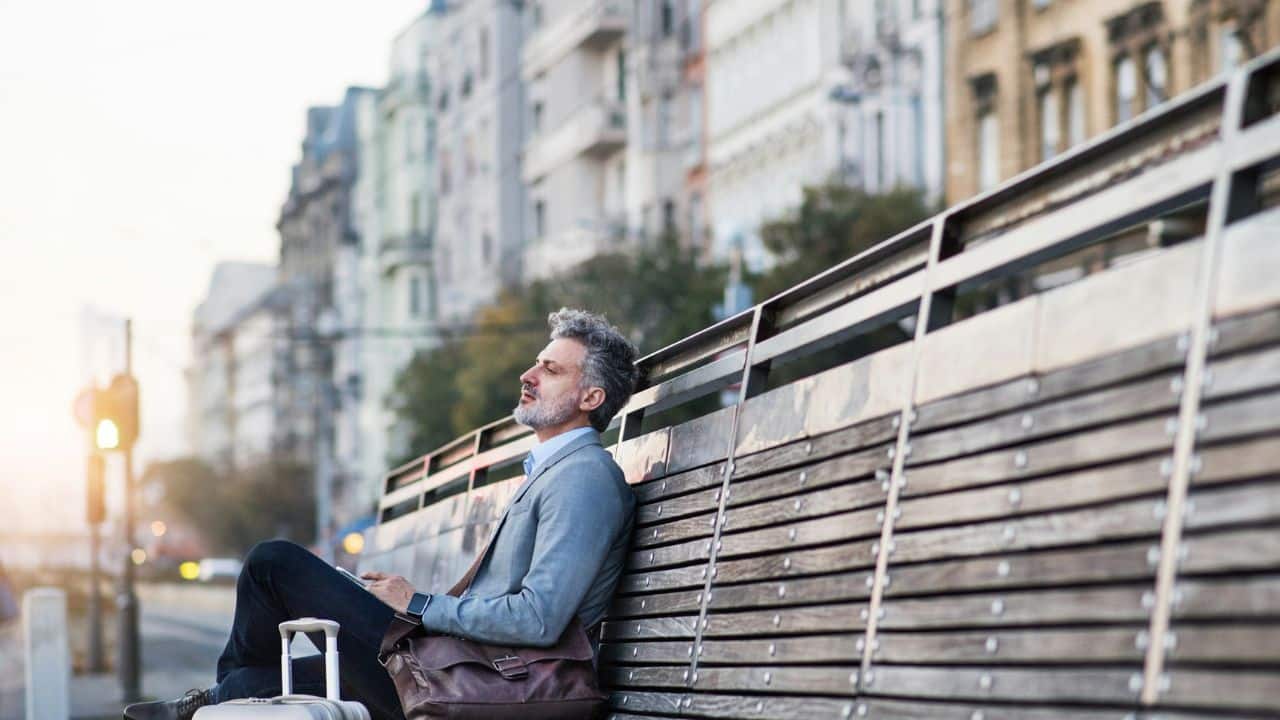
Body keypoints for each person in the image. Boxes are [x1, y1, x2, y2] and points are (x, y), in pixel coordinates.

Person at [125, 308, 639, 720]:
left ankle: (210, 704)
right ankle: (214, 701)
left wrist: (418, 603)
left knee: (273, 563)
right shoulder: (555, 471)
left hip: (473, 683)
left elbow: (538, 618)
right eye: (536, 363)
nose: (528, 375)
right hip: (454, 663)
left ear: (591, 397)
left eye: (551, 370)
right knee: (250, 688)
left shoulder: (585, 478)